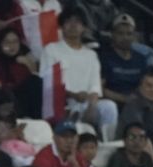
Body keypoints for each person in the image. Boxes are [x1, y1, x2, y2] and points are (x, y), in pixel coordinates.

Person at [42, 7, 117, 135]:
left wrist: (92, 107)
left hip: (86, 104)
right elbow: (48, 83)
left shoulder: (91, 55)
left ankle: (107, 142)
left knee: (109, 107)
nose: (73, 25)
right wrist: (73, 95)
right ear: (61, 26)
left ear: (84, 28)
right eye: (68, 21)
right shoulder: (51, 50)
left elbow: (95, 86)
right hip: (62, 103)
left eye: (77, 22)